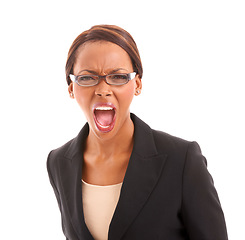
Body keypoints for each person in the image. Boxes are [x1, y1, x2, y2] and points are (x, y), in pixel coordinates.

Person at [47, 25, 228, 240]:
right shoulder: (58, 162)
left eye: (118, 77)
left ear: (137, 84)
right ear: (71, 87)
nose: (103, 89)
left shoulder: (182, 159)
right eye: (87, 78)